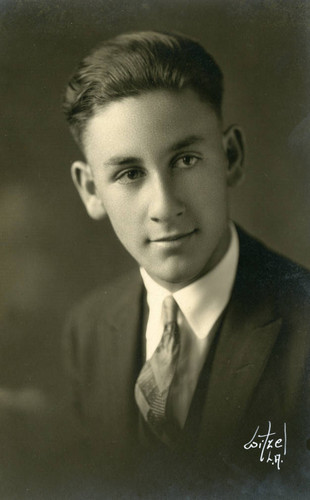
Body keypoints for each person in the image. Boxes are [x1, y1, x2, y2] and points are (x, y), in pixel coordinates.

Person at [62, 31, 310, 495]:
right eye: (129, 173)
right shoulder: (89, 330)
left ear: (231, 156)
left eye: (186, 159)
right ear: (91, 191)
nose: (164, 205)